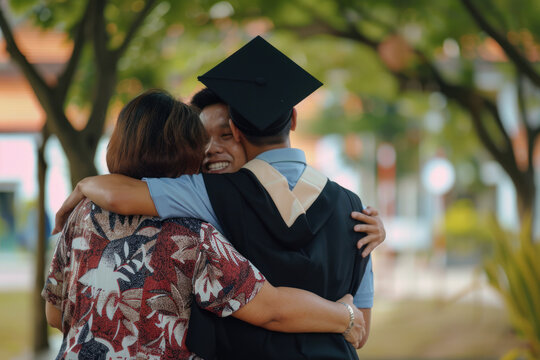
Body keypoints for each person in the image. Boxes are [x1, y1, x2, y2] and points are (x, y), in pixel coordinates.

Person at [53, 36, 376, 359]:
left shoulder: (199, 199)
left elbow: (55, 314)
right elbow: (343, 325)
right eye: (202, 141)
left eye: (222, 136)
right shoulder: (354, 210)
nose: (210, 151)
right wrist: (344, 316)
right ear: (293, 118)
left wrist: (84, 186)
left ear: (237, 130)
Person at [191, 86, 385, 257]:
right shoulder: (193, 202)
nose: (210, 149)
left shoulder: (326, 205)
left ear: (242, 133)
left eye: (226, 135)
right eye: (201, 139)